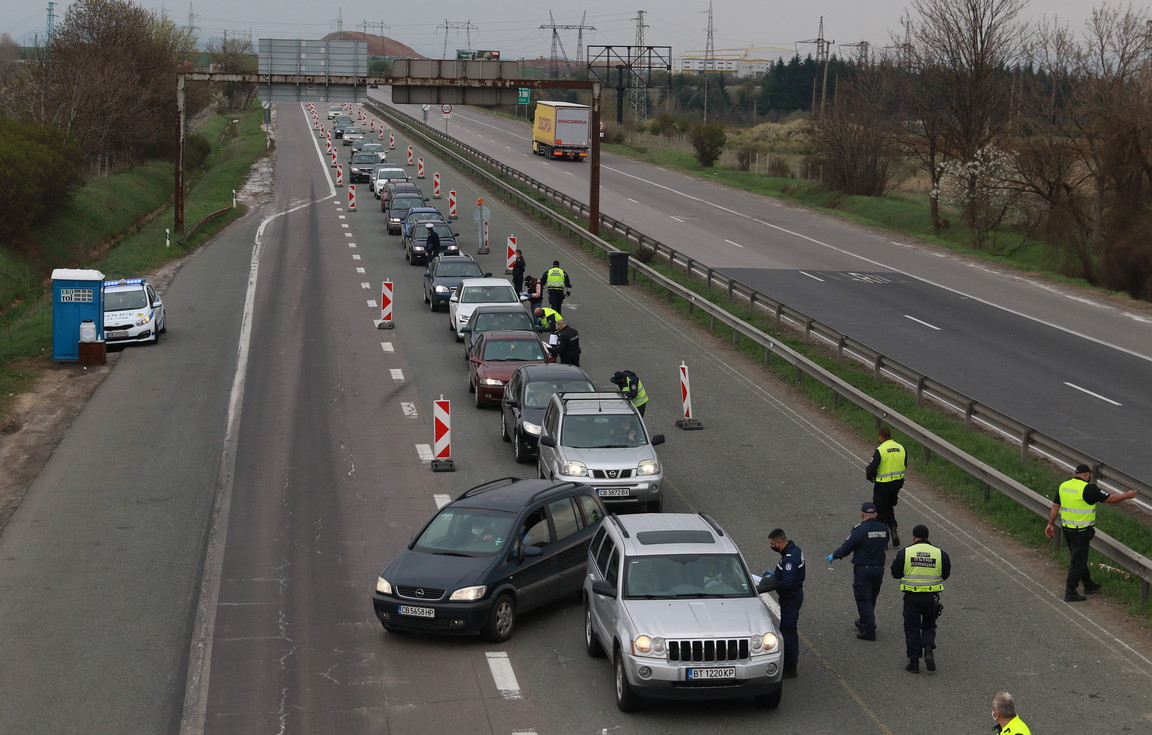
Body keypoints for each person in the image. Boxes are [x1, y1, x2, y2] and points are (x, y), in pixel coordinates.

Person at [1044, 464, 1137, 602]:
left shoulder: (1064, 485)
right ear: (1086, 474)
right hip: (1080, 532)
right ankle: (1070, 592)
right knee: (1078, 562)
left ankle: (1088, 584)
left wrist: (1050, 524)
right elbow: (1111, 499)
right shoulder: (1088, 488)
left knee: (1079, 558)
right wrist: (1127, 496)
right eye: (1090, 475)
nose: (1090, 477)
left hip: (1067, 529)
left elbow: (1055, 506)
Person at [890, 524, 950, 674]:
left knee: (912, 628)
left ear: (914, 537)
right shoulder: (939, 553)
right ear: (928, 537)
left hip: (912, 596)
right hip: (932, 597)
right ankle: (928, 649)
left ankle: (914, 662)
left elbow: (895, 573)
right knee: (929, 624)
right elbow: (945, 574)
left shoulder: (906, 552)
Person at [826, 501, 889, 641]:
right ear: (876, 514)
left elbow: (848, 546)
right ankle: (865, 620)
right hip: (879, 568)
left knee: (862, 598)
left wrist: (835, 555)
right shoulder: (884, 529)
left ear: (862, 514)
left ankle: (869, 630)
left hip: (863, 569)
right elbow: (885, 543)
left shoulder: (860, 529)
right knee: (872, 597)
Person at [765, 528, 805, 678]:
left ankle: (790, 666)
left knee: (788, 631)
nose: (771, 547)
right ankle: (788, 662)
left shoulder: (789, 558)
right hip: (793, 595)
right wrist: (776, 574)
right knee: (786, 629)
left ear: (779, 542)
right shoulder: (794, 550)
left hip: (791, 597)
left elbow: (788, 583)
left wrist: (773, 583)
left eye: (772, 544)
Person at [866, 427, 907, 547]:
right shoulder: (901, 447)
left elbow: (872, 468)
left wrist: (871, 477)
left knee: (879, 509)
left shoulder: (881, 449)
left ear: (880, 437)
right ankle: (893, 528)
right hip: (897, 484)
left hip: (883, 484)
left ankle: (883, 539)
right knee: (888, 507)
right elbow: (904, 463)